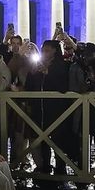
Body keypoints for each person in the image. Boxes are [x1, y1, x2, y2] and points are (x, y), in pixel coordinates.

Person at [25, 40, 69, 174]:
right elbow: (30, 86)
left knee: (58, 140)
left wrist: (48, 73)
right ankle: (44, 166)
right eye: (43, 49)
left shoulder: (62, 65)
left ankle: (61, 168)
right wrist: (32, 73)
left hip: (55, 109)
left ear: (55, 51)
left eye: (47, 50)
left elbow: (63, 87)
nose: (43, 52)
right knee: (42, 139)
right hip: (39, 108)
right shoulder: (37, 65)